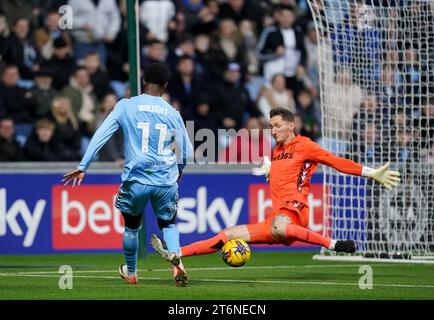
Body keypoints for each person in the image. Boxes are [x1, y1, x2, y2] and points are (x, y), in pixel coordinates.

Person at [152, 107, 401, 263]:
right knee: (227, 235)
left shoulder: (305, 145)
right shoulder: (277, 151)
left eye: (278, 125)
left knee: (282, 225)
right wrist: (271, 172)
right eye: (271, 126)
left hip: (296, 211)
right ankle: (176, 253)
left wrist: (370, 173)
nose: (273, 130)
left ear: (291, 126)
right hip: (276, 218)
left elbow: (334, 161)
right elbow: (283, 175)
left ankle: (334, 244)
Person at [62, 63, 193, 287]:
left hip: (136, 180)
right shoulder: (173, 113)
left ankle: (131, 272)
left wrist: (84, 165)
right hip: (165, 180)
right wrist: (179, 170)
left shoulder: (125, 106)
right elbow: (187, 152)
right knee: (169, 224)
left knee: (132, 226)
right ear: (165, 85)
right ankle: (176, 259)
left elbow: (102, 134)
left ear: (144, 81)